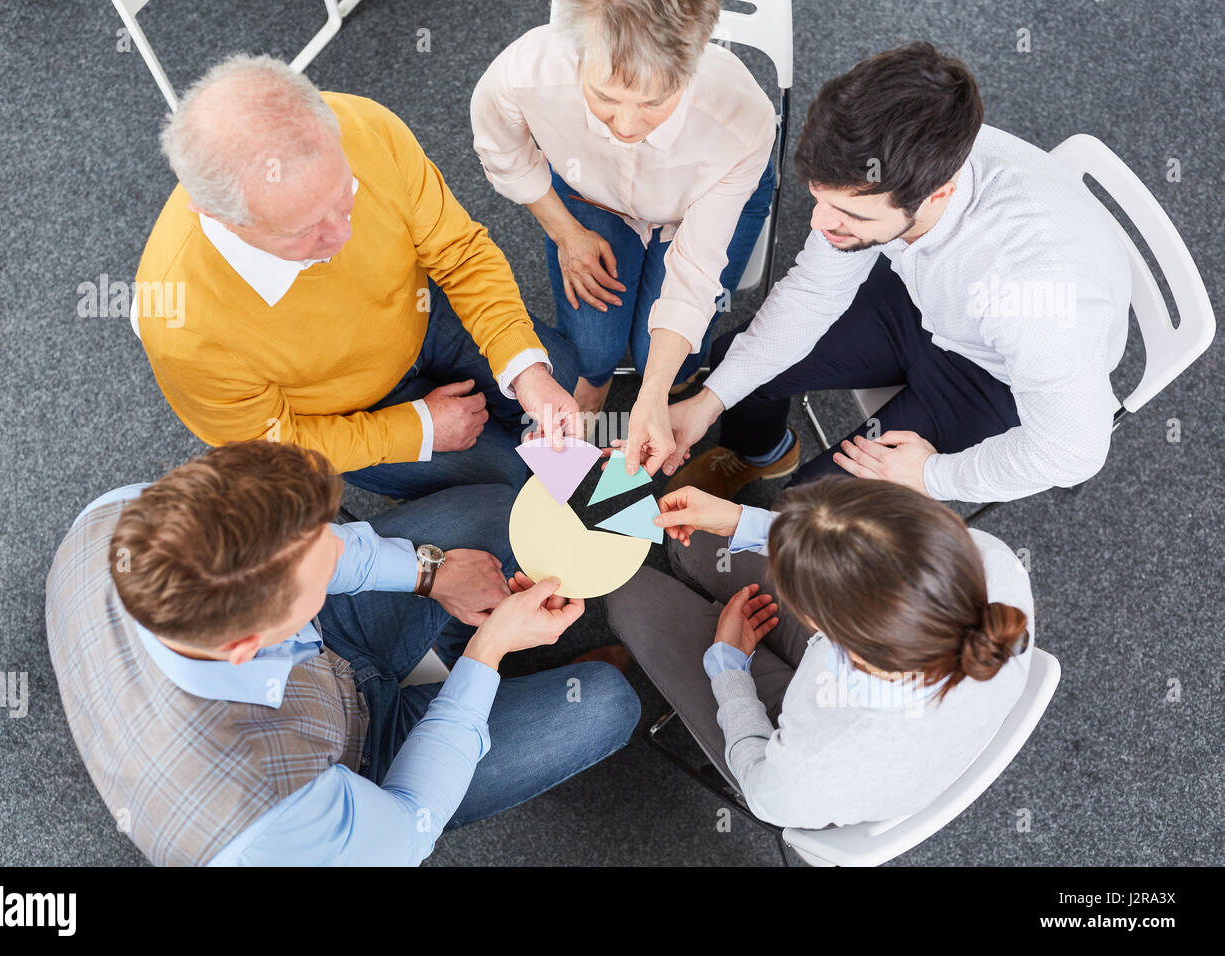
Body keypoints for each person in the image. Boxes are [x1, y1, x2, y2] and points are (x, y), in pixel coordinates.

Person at [45, 441, 639, 866]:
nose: (339, 550)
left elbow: (326, 550)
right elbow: (410, 825)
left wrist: (429, 575)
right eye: (321, 570)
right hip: (353, 772)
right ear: (252, 643)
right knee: (606, 702)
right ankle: (472, 659)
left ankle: (458, 654)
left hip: (321, 654)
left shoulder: (124, 516)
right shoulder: (266, 830)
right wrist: (489, 654)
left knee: (492, 517)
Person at [665, 42, 1132, 505]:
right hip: (926, 300)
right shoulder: (900, 159)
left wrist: (934, 475)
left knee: (806, 510)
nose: (818, 223)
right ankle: (762, 454)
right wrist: (709, 402)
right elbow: (813, 292)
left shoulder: (1035, 298)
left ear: (937, 196)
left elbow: (1073, 453)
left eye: (849, 213)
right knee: (731, 366)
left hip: (997, 377)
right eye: (818, 196)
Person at [133, 54, 582, 502]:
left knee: (556, 367)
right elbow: (266, 444)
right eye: (304, 230)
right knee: (502, 482)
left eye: (344, 194)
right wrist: (414, 429)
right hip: (346, 413)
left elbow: (457, 252)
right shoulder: (181, 327)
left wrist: (523, 368)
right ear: (221, 218)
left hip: (422, 311)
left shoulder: (363, 126)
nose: (343, 235)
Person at [606, 477, 1034, 828]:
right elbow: (863, 556)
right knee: (694, 538)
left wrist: (730, 670)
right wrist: (743, 521)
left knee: (626, 594)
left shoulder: (814, 768)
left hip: (792, 754)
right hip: (867, 690)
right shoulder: (992, 566)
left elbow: (760, 786)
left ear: (826, 632)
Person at [471, 0, 776, 475]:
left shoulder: (740, 117)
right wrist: (566, 234)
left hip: (699, 205)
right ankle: (595, 385)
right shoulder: (524, 72)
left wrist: (652, 391)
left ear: (695, 55)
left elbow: (695, 271)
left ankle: (669, 384)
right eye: (606, 98)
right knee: (593, 351)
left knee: (677, 361)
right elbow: (505, 156)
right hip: (592, 197)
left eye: (654, 102)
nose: (628, 128)